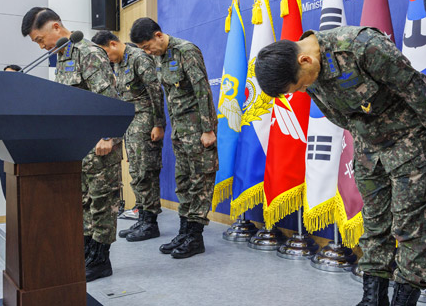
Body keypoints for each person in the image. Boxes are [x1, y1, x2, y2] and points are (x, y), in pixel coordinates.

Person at [255, 26, 426, 306]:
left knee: (411, 229)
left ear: (305, 60)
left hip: (409, 146)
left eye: (299, 86)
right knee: (373, 225)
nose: (303, 90)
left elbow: (418, 93)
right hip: (369, 151)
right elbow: (341, 116)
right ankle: (374, 299)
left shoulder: (362, 47)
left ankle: (404, 301)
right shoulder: (309, 73)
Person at [21, 7, 122, 281]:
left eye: (41, 40)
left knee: (102, 202)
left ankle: (101, 261)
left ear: (55, 27)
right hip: (80, 146)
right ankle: (87, 252)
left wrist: (108, 137)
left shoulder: (88, 53)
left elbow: (109, 98)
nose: (42, 46)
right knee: (85, 202)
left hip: (101, 143)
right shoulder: (63, 56)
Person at [130, 18, 218, 259]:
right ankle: (184, 231)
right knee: (184, 181)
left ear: (159, 35)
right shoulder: (160, 57)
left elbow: (202, 90)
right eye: (143, 50)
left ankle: (195, 237)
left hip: (199, 130)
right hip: (180, 131)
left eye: (148, 46)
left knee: (200, 181)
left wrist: (208, 129)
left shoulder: (185, 51)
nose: (148, 52)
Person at [91, 30, 165, 242]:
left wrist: (159, 124)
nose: (106, 59)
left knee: (145, 170)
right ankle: (142, 218)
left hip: (145, 121)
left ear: (113, 44)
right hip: (130, 121)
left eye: (106, 53)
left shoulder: (138, 58)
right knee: (136, 170)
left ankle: (150, 223)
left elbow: (155, 92)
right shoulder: (119, 62)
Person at [0, 64, 22, 199]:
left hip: (21, 152)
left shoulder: (27, 98)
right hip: (2, 151)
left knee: (22, 193)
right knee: (8, 194)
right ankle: (12, 220)